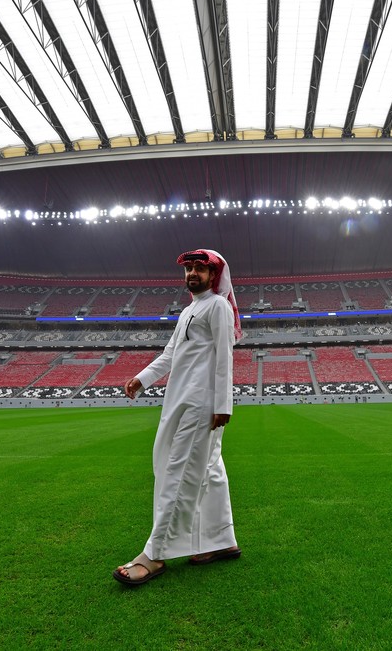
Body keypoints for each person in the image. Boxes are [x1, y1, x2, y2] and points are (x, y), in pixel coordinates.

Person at [113, 249, 243, 586]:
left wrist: (222, 404)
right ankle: (222, 540)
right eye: (189, 268)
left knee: (178, 470)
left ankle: (155, 554)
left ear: (214, 275)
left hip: (201, 402)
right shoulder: (189, 310)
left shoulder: (217, 306)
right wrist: (141, 378)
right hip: (181, 398)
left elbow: (224, 355)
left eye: (201, 269)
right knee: (210, 469)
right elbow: (172, 353)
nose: (193, 274)